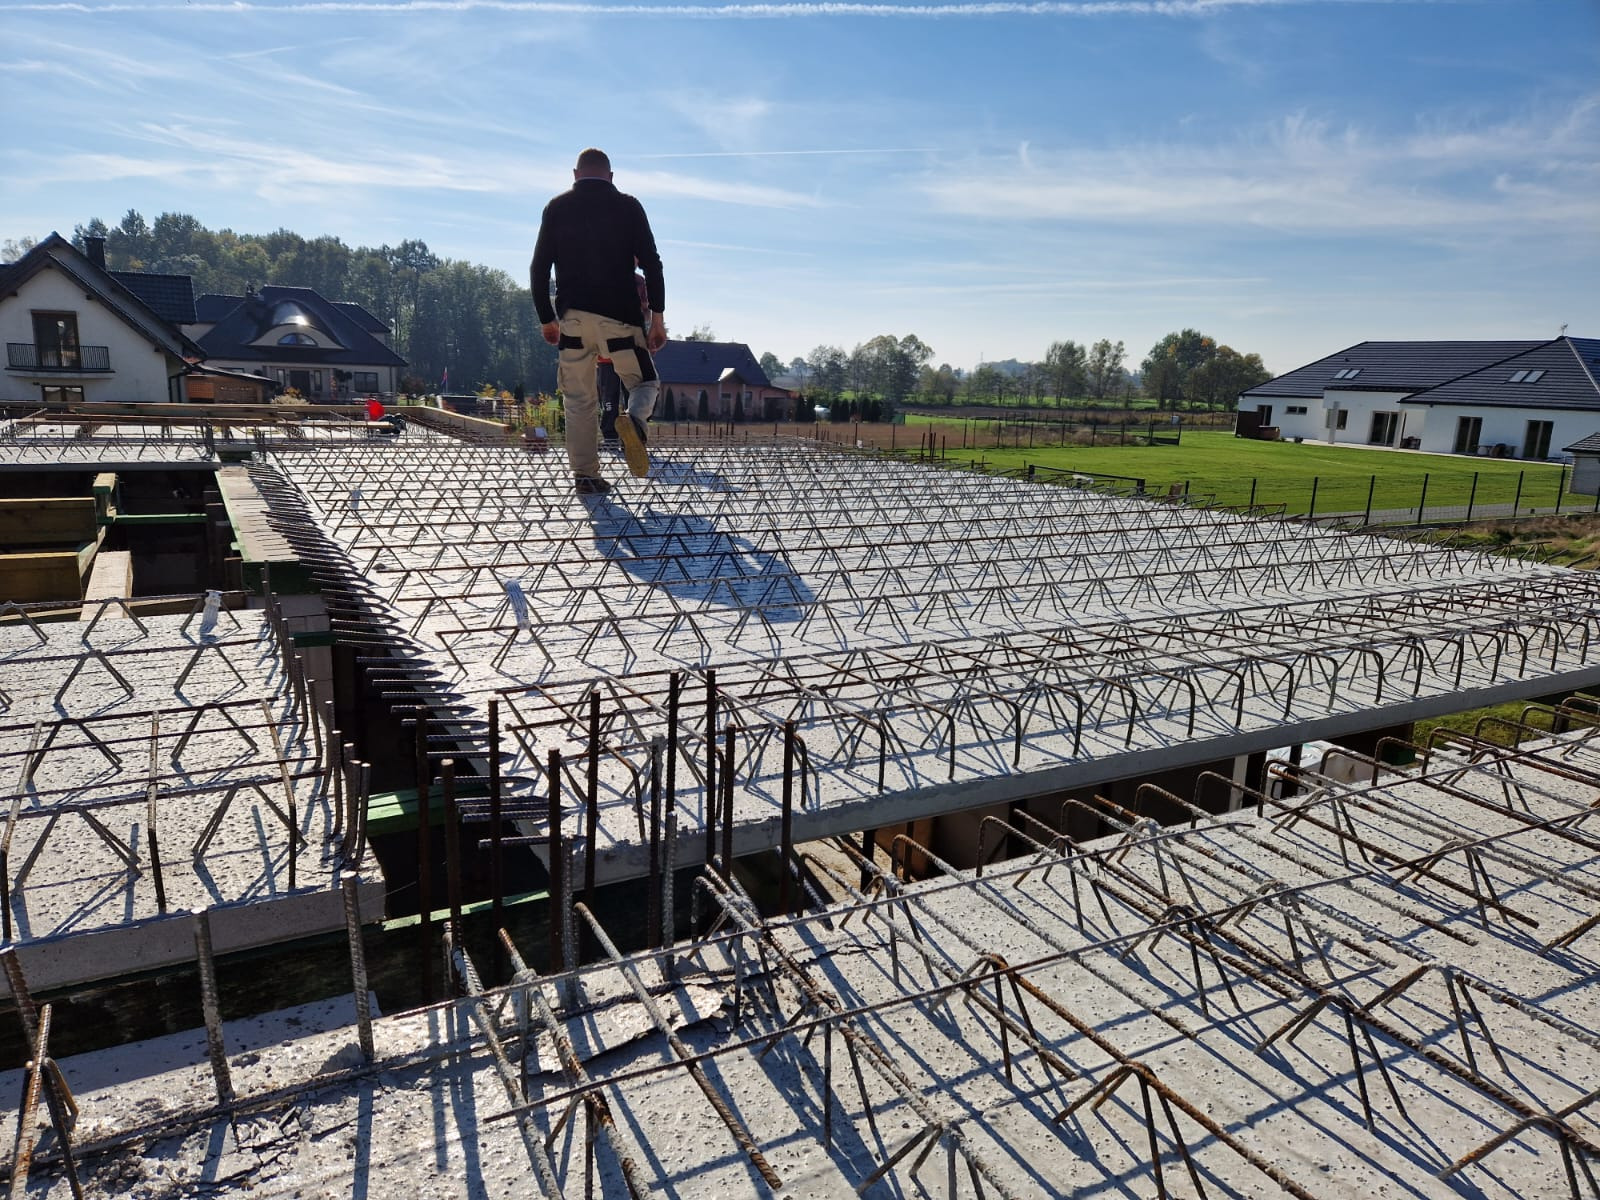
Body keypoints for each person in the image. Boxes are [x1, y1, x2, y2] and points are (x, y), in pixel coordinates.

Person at [531, 148, 666, 493]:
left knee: (578, 401)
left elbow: (539, 268)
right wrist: (657, 320)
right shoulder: (629, 206)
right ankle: (634, 423)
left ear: (575, 174)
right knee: (644, 383)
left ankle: (586, 476)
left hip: (573, 321)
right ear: (611, 176)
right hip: (620, 321)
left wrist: (547, 319)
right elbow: (652, 264)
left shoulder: (556, 207)